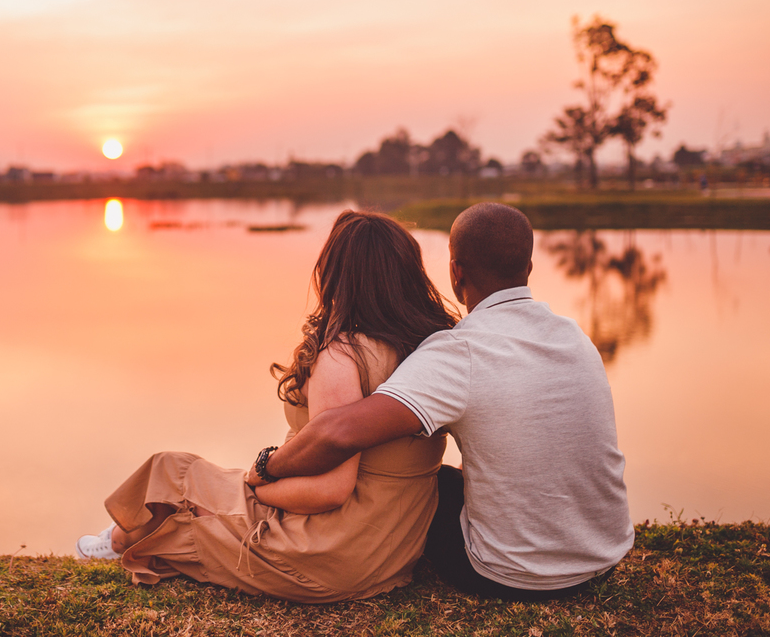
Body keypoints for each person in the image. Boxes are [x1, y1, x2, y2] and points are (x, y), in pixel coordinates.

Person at [246, 202, 633, 602]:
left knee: (424, 490)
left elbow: (337, 433)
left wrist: (267, 467)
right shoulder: (575, 337)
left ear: (456, 272)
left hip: (509, 576)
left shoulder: (460, 351)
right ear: (529, 267)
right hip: (603, 559)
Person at [74, 210, 460, 602]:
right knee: (194, 479)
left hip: (330, 552)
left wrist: (259, 489)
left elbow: (330, 490)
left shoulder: (345, 357)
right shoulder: (432, 349)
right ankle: (122, 535)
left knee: (172, 471)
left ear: (338, 276)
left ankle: (119, 540)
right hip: (391, 550)